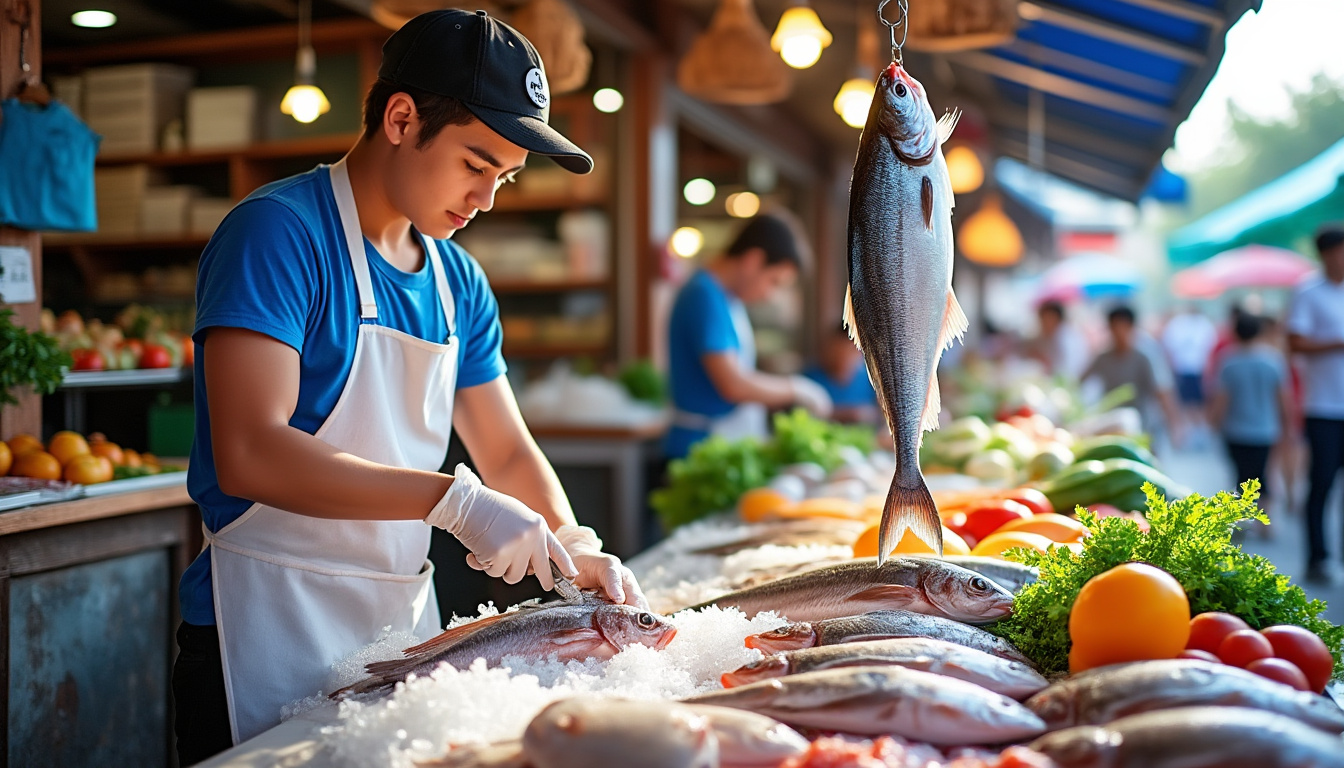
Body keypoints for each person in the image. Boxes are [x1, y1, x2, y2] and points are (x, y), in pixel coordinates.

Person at [172, 11, 645, 763]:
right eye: (475, 165)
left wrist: (573, 543)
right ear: (401, 119)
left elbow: (505, 450)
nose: (486, 199)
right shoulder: (277, 233)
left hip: (400, 635)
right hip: (261, 626)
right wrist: (454, 502)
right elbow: (250, 451)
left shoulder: (460, 282)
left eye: (505, 178)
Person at [664, 214, 832, 459]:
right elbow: (732, 384)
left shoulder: (725, 297)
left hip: (717, 443)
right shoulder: (704, 295)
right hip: (699, 448)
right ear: (754, 260)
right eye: (774, 281)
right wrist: (795, 388)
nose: (769, 295)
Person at [1286, 225, 1344, 583]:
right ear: (1326, 254)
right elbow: (1295, 342)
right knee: (1321, 483)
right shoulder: (1308, 292)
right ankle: (1317, 557)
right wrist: (1337, 343)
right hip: (1323, 406)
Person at [1207, 312, 1292, 527]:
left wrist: (1214, 423)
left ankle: (1242, 519)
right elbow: (1283, 397)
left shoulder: (1229, 361)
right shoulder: (1273, 360)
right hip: (1266, 429)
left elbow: (1221, 398)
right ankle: (1265, 521)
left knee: (1241, 475)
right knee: (1263, 474)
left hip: (1235, 430)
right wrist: (1288, 425)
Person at [1081, 306, 1180, 438]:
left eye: (1123, 327)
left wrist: (1174, 424)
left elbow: (1161, 391)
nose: (1119, 332)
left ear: (1132, 327)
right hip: (1112, 425)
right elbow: (1080, 381)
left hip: (1142, 424)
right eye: (1115, 327)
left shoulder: (1143, 358)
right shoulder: (1102, 358)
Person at [803, 324, 879, 425]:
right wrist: (848, 415)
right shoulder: (811, 378)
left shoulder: (870, 379)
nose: (848, 358)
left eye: (853, 352)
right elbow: (805, 413)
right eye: (842, 350)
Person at [1162, 305, 1218, 439]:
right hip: (1186, 369)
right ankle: (1191, 433)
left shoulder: (1196, 324)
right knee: (1187, 403)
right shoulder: (1180, 324)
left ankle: (1196, 432)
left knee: (1195, 403)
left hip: (1193, 370)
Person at [1024, 300, 1089, 379]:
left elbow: (1065, 372)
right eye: (1041, 320)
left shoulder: (1067, 339)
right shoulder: (1054, 335)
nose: (1042, 324)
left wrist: (1044, 361)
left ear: (1056, 318)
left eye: (1045, 320)